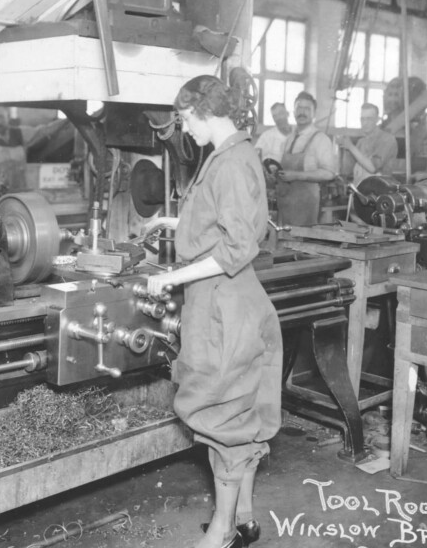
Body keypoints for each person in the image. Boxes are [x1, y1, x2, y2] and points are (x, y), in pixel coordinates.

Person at [142, 75, 283, 548]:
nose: (184, 128)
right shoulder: (226, 157)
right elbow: (219, 221)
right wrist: (173, 221)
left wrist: (171, 277)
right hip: (220, 299)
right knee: (239, 412)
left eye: (183, 118)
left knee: (221, 415)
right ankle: (242, 516)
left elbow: (237, 247)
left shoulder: (232, 163)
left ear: (204, 110)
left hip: (224, 303)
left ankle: (221, 533)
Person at [0, 105, 67, 196]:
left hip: (21, 192)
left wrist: (66, 120)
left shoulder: (19, 133)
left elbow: (43, 131)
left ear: (8, 117)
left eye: (1, 117)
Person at [276, 92, 338, 226]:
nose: (302, 112)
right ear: (293, 112)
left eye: (307, 109)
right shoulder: (289, 139)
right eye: (299, 108)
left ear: (314, 114)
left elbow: (329, 173)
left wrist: (297, 175)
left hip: (307, 207)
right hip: (285, 205)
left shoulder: (321, 139)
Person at [337, 103, 398, 186]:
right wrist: (345, 149)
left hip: (379, 193)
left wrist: (351, 147)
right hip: (360, 192)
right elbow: (347, 171)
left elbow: (372, 168)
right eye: (362, 119)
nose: (365, 123)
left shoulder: (387, 139)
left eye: (369, 119)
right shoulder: (361, 142)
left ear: (377, 119)